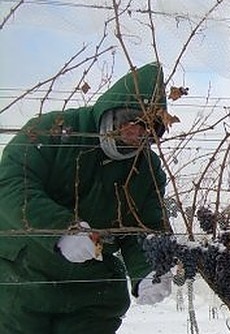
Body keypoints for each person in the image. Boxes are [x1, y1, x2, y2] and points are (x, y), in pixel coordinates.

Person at [0, 62, 173, 334]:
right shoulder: (53, 131)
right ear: (112, 111)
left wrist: (149, 268)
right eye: (131, 124)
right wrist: (61, 230)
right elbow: (11, 184)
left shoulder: (147, 169)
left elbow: (146, 224)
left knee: (104, 304)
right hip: (23, 274)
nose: (136, 136)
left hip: (90, 287)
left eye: (148, 130)